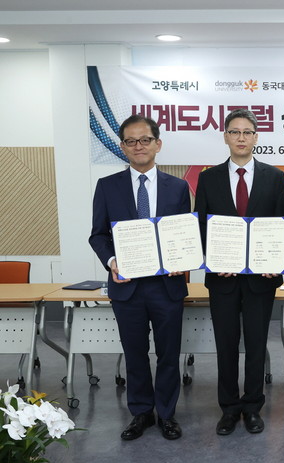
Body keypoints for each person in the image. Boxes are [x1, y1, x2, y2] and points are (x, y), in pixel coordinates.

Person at [89, 115, 189, 441]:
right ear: (122, 147)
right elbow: (98, 235)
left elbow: (183, 234)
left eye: (145, 140)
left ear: (158, 144)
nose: (138, 146)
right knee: (134, 354)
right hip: (127, 287)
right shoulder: (108, 186)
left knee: (168, 354)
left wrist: (181, 259)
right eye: (131, 141)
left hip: (166, 287)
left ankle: (167, 414)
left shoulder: (178, 187)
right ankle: (141, 412)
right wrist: (112, 261)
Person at [194, 108, 284, 435]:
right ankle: (228, 408)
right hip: (222, 279)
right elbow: (201, 225)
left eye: (247, 132)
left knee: (256, 343)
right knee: (225, 345)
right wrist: (214, 258)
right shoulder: (208, 178)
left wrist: (273, 261)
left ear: (255, 137)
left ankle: (252, 407)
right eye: (234, 132)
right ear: (225, 137)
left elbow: (282, 223)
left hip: (260, 280)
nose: (241, 138)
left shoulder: (273, 177)